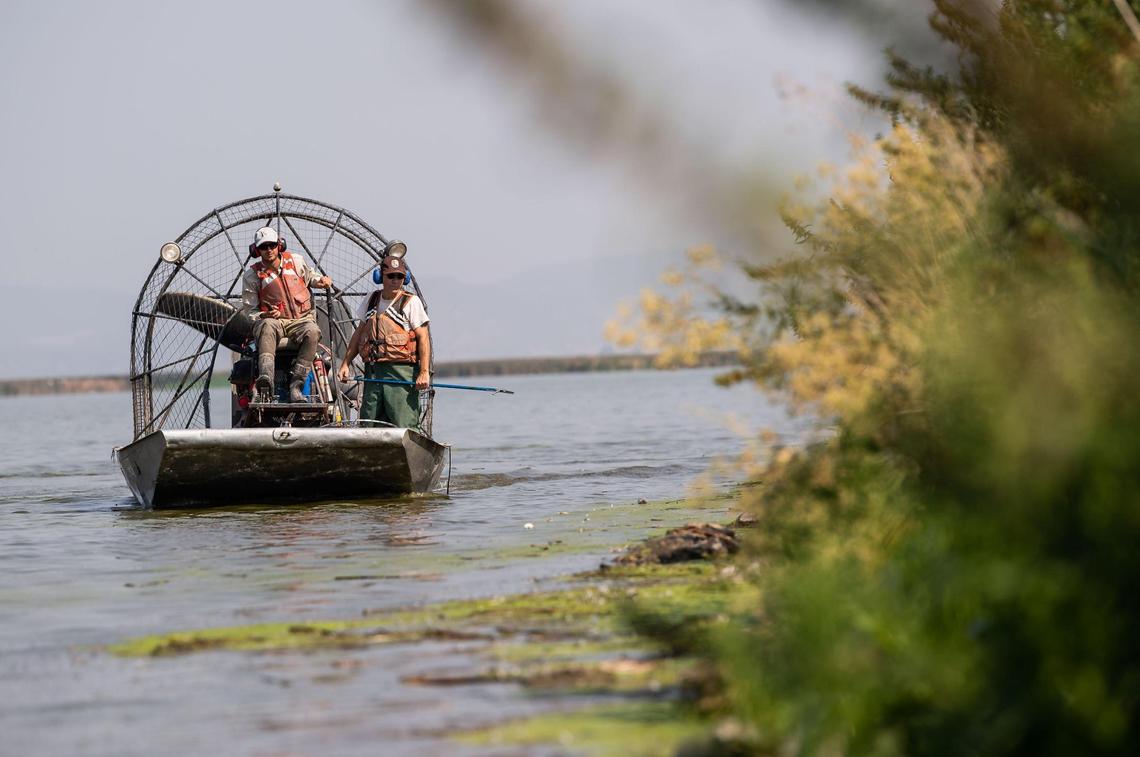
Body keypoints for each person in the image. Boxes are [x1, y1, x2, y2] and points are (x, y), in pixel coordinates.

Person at [337, 256, 431, 429]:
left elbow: (423, 338)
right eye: (391, 276)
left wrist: (424, 372)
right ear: (380, 277)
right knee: (368, 423)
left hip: (401, 374)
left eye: (400, 277)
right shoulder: (371, 299)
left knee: (404, 423)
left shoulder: (411, 302)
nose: (395, 281)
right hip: (373, 374)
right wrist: (345, 364)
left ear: (405, 278)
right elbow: (359, 334)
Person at [241, 226, 333, 402]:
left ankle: (296, 385)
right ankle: (266, 380)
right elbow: (250, 311)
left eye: (272, 245)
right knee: (267, 327)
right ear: (256, 250)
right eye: (263, 247)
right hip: (275, 323)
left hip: (301, 320)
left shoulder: (296, 261)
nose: (268, 250)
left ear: (279, 245)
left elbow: (311, 277)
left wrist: (321, 281)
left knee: (313, 332)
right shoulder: (252, 276)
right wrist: (264, 315)